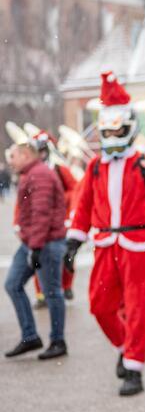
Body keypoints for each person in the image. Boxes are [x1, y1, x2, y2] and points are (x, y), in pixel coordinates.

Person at [63, 71, 145, 396]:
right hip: (103, 244)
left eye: (117, 127)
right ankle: (125, 347)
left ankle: (134, 369)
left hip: (138, 245)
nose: (112, 133)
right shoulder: (95, 167)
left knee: (137, 307)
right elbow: (83, 208)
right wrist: (73, 240)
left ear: (128, 127)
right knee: (100, 305)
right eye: (108, 127)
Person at [4, 143, 68, 360]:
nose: (10, 161)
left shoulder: (39, 174)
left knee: (52, 293)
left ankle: (58, 341)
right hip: (33, 242)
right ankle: (30, 336)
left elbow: (42, 214)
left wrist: (36, 247)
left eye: (13, 156)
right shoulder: (30, 173)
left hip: (45, 244)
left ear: (25, 155)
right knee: (12, 284)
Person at [29, 130, 78, 305]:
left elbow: (75, 190)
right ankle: (41, 294)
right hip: (40, 226)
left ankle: (67, 286)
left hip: (61, 223)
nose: (40, 156)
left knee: (67, 257)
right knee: (37, 259)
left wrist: (67, 210)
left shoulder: (59, 169)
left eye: (42, 151)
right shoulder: (29, 173)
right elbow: (23, 200)